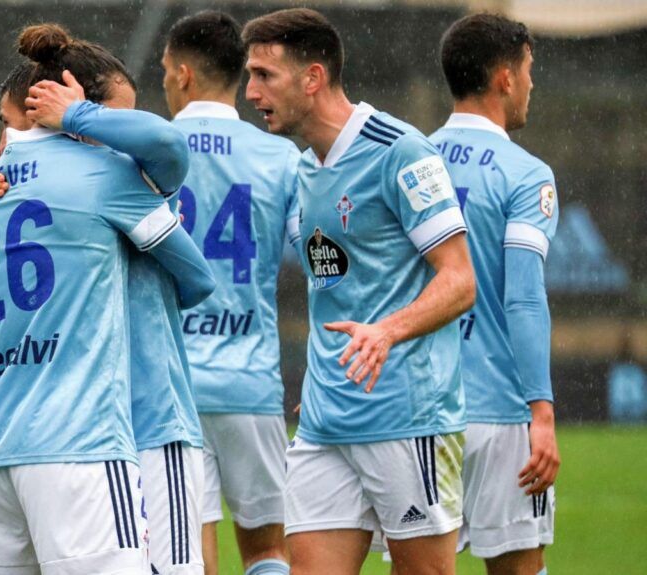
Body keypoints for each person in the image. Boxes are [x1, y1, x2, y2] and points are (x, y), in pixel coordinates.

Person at [0, 24, 215, 573]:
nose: (122, 138)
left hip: (12, 434)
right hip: (112, 424)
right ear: (71, 108)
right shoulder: (108, 177)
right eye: (116, 119)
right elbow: (198, 280)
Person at [241, 8, 476, 574]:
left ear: (313, 78)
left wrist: (386, 331)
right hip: (326, 421)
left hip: (407, 415)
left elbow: (460, 279)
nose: (250, 92)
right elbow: (340, 284)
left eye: (264, 76)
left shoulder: (400, 151)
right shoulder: (302, 169)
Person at [160, 11, 304, 575]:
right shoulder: (279, 155)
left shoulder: (148, 149)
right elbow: (321, 264)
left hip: (170, 387)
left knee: (188, 553)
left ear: (186, 74)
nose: (167, 82)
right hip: (250, 381)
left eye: (168, 71)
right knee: (269, 550)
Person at [430, 14, 560, 574]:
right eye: (530, 69)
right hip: (501, 413)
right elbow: (524, 299)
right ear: (505, 78)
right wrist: (543, 413)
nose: (533, 83)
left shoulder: (409, 158)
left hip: (422, 409)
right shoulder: (526, 174)